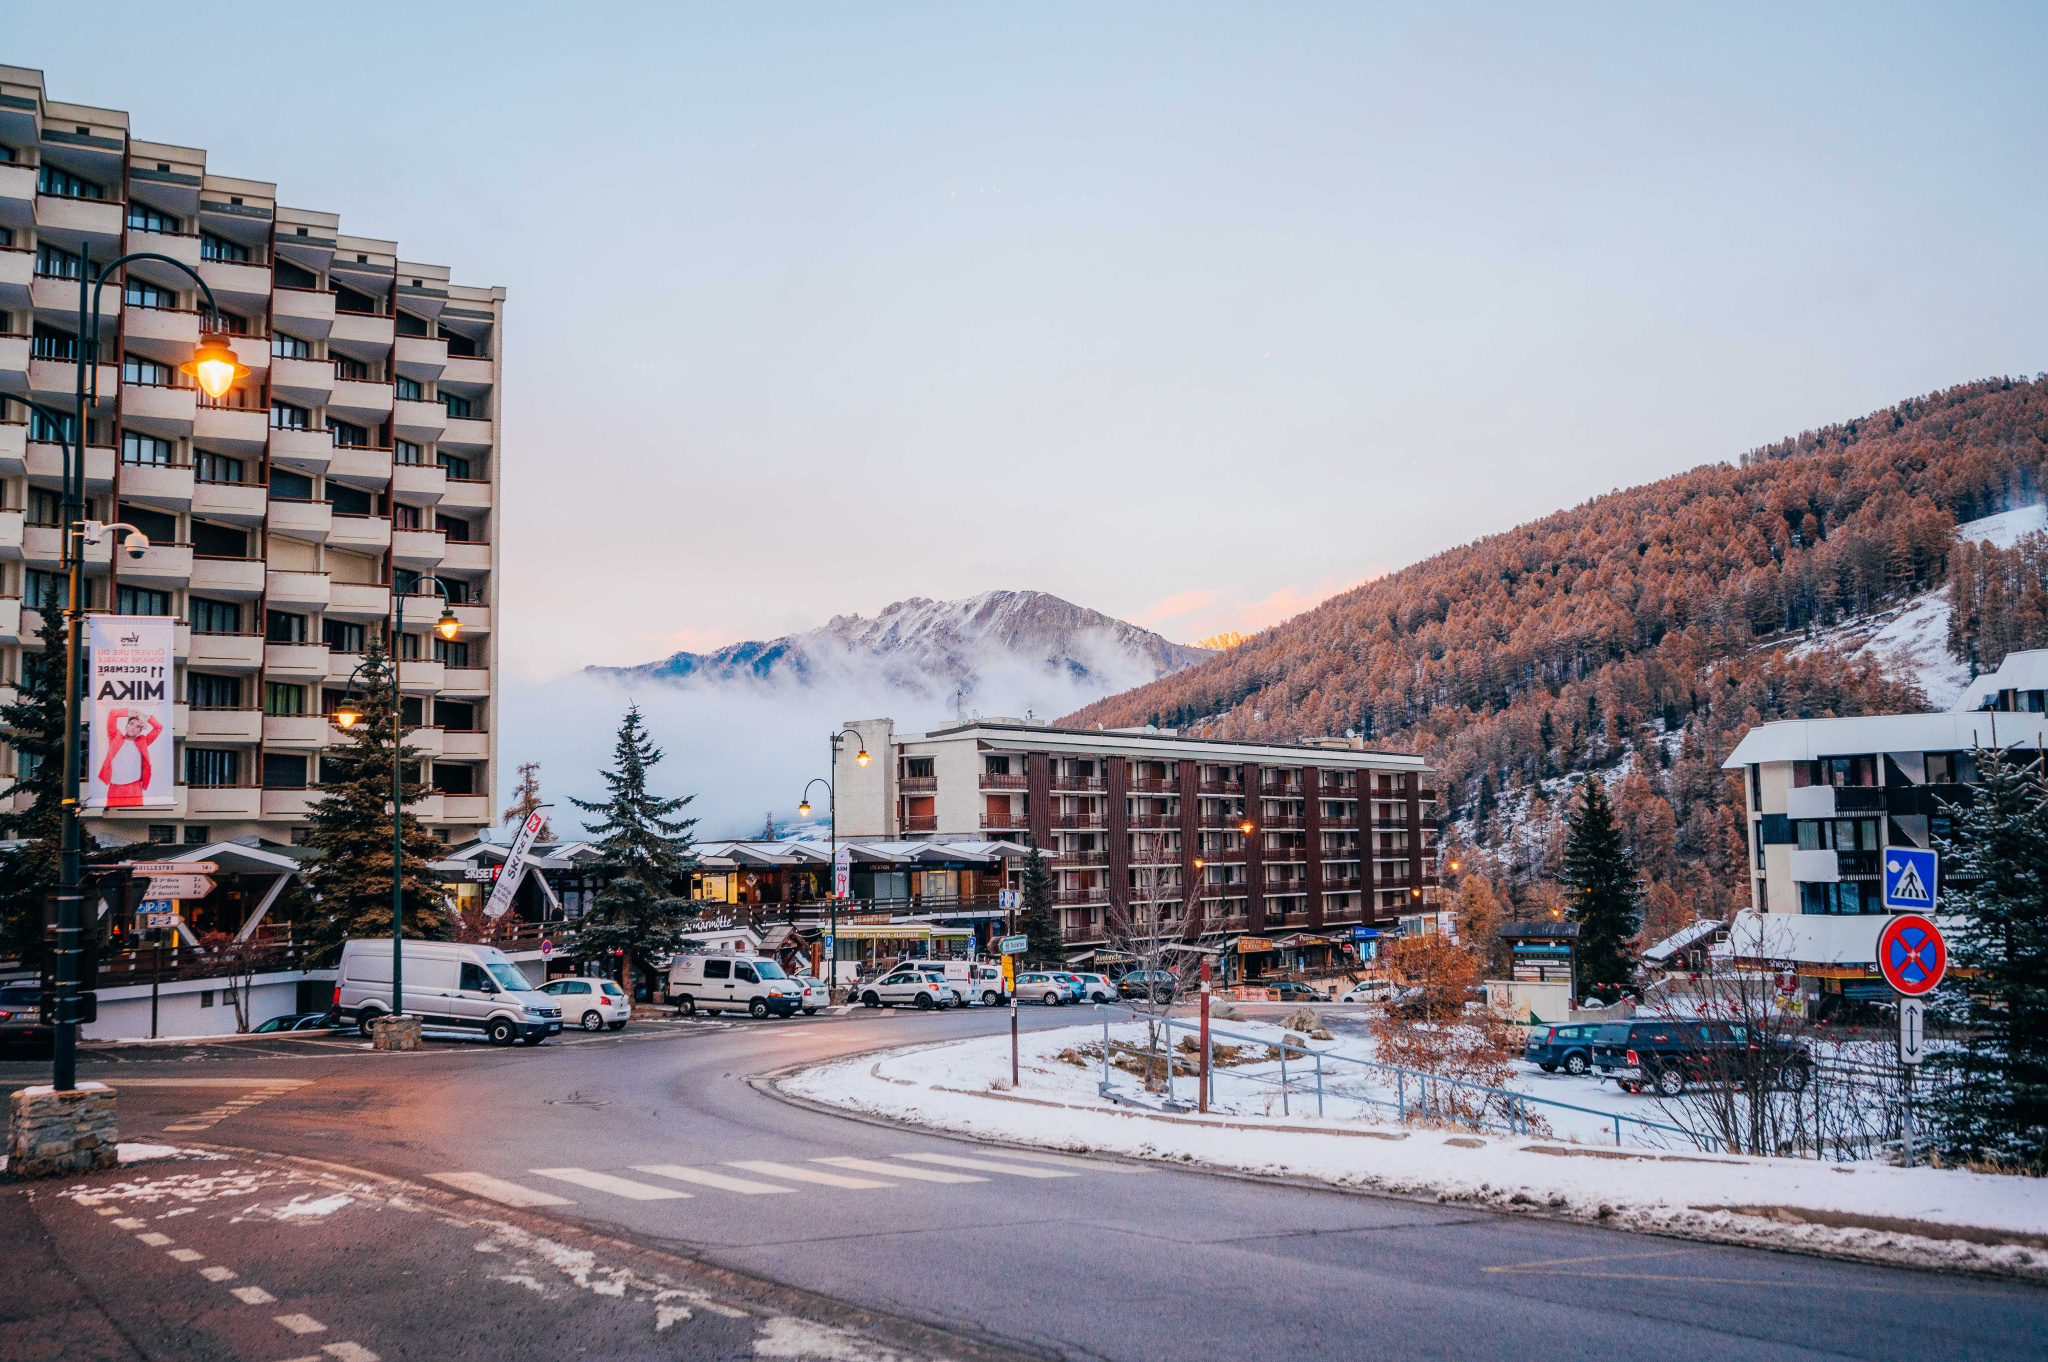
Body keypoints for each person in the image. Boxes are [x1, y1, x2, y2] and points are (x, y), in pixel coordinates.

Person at [98, 707, 163, 807]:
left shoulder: (143, 742)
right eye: (131, 724)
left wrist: (145, 718)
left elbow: (158, 727)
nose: (133, 727)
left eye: (137, 726)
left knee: (135, 818)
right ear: (126, 726)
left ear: (140, 731)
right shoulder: (114, 736)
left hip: (134, 788)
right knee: (112, 817)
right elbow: (112, 714)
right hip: (115, 787)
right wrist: (136, 714)